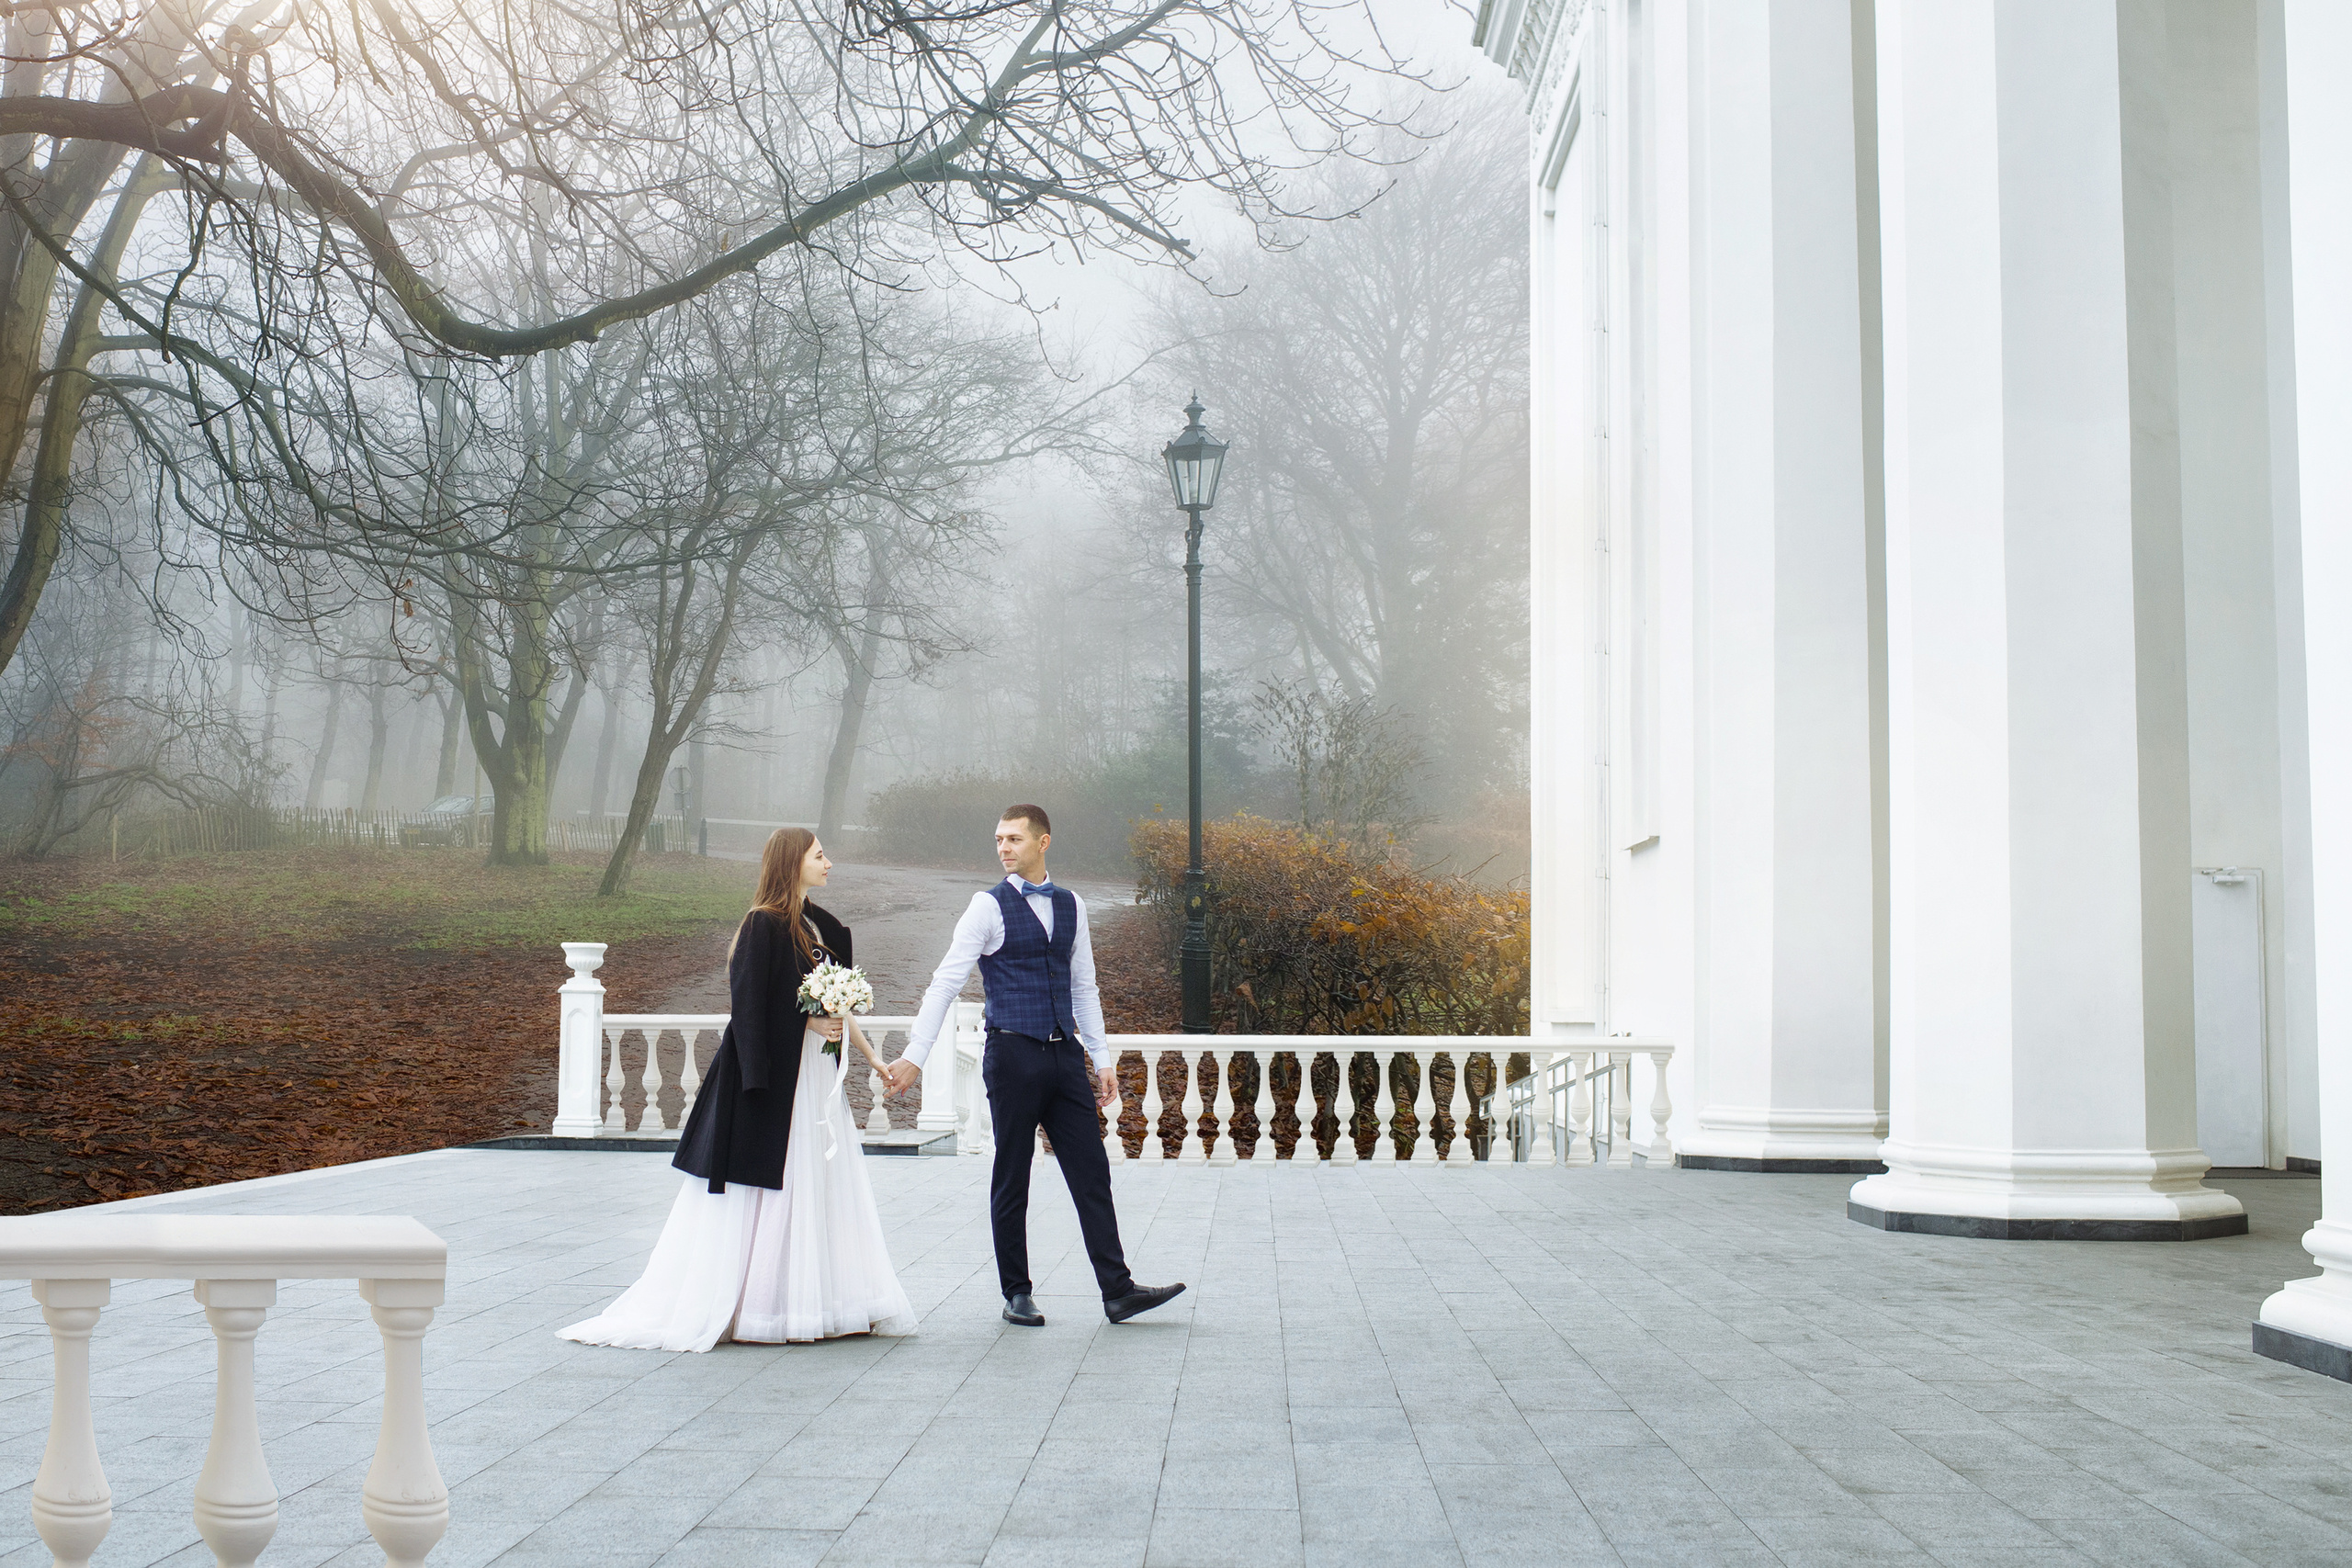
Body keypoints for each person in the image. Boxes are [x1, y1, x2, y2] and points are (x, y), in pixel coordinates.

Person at [559, 828, 916, 1351]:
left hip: (818, 1079)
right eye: (820, 856)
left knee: (819, 1185)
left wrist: (872, 1058)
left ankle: (824, 1300)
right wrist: (803, 1028)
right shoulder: (762, 926)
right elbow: (748, 1007)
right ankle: (763, 1307)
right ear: (793, 862)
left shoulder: (821, 927)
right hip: (773, 1079)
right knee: (776, 1183)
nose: (829, 863)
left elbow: (835, 1006)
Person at [882, 805, 1184, 1328]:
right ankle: (1017, 1292)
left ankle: (1118, 1291)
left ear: (1043, 842)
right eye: (998, 838)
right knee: (1012, 1175)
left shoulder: (1072, 905)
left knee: (1092, 1173)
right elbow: (945, 983)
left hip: (1065, 1056)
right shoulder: (986, 907)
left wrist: (1101, 1057)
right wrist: (915, 1055)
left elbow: (1084, 986)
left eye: (1014, 839)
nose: (1003, 848)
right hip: (1012, 1055)